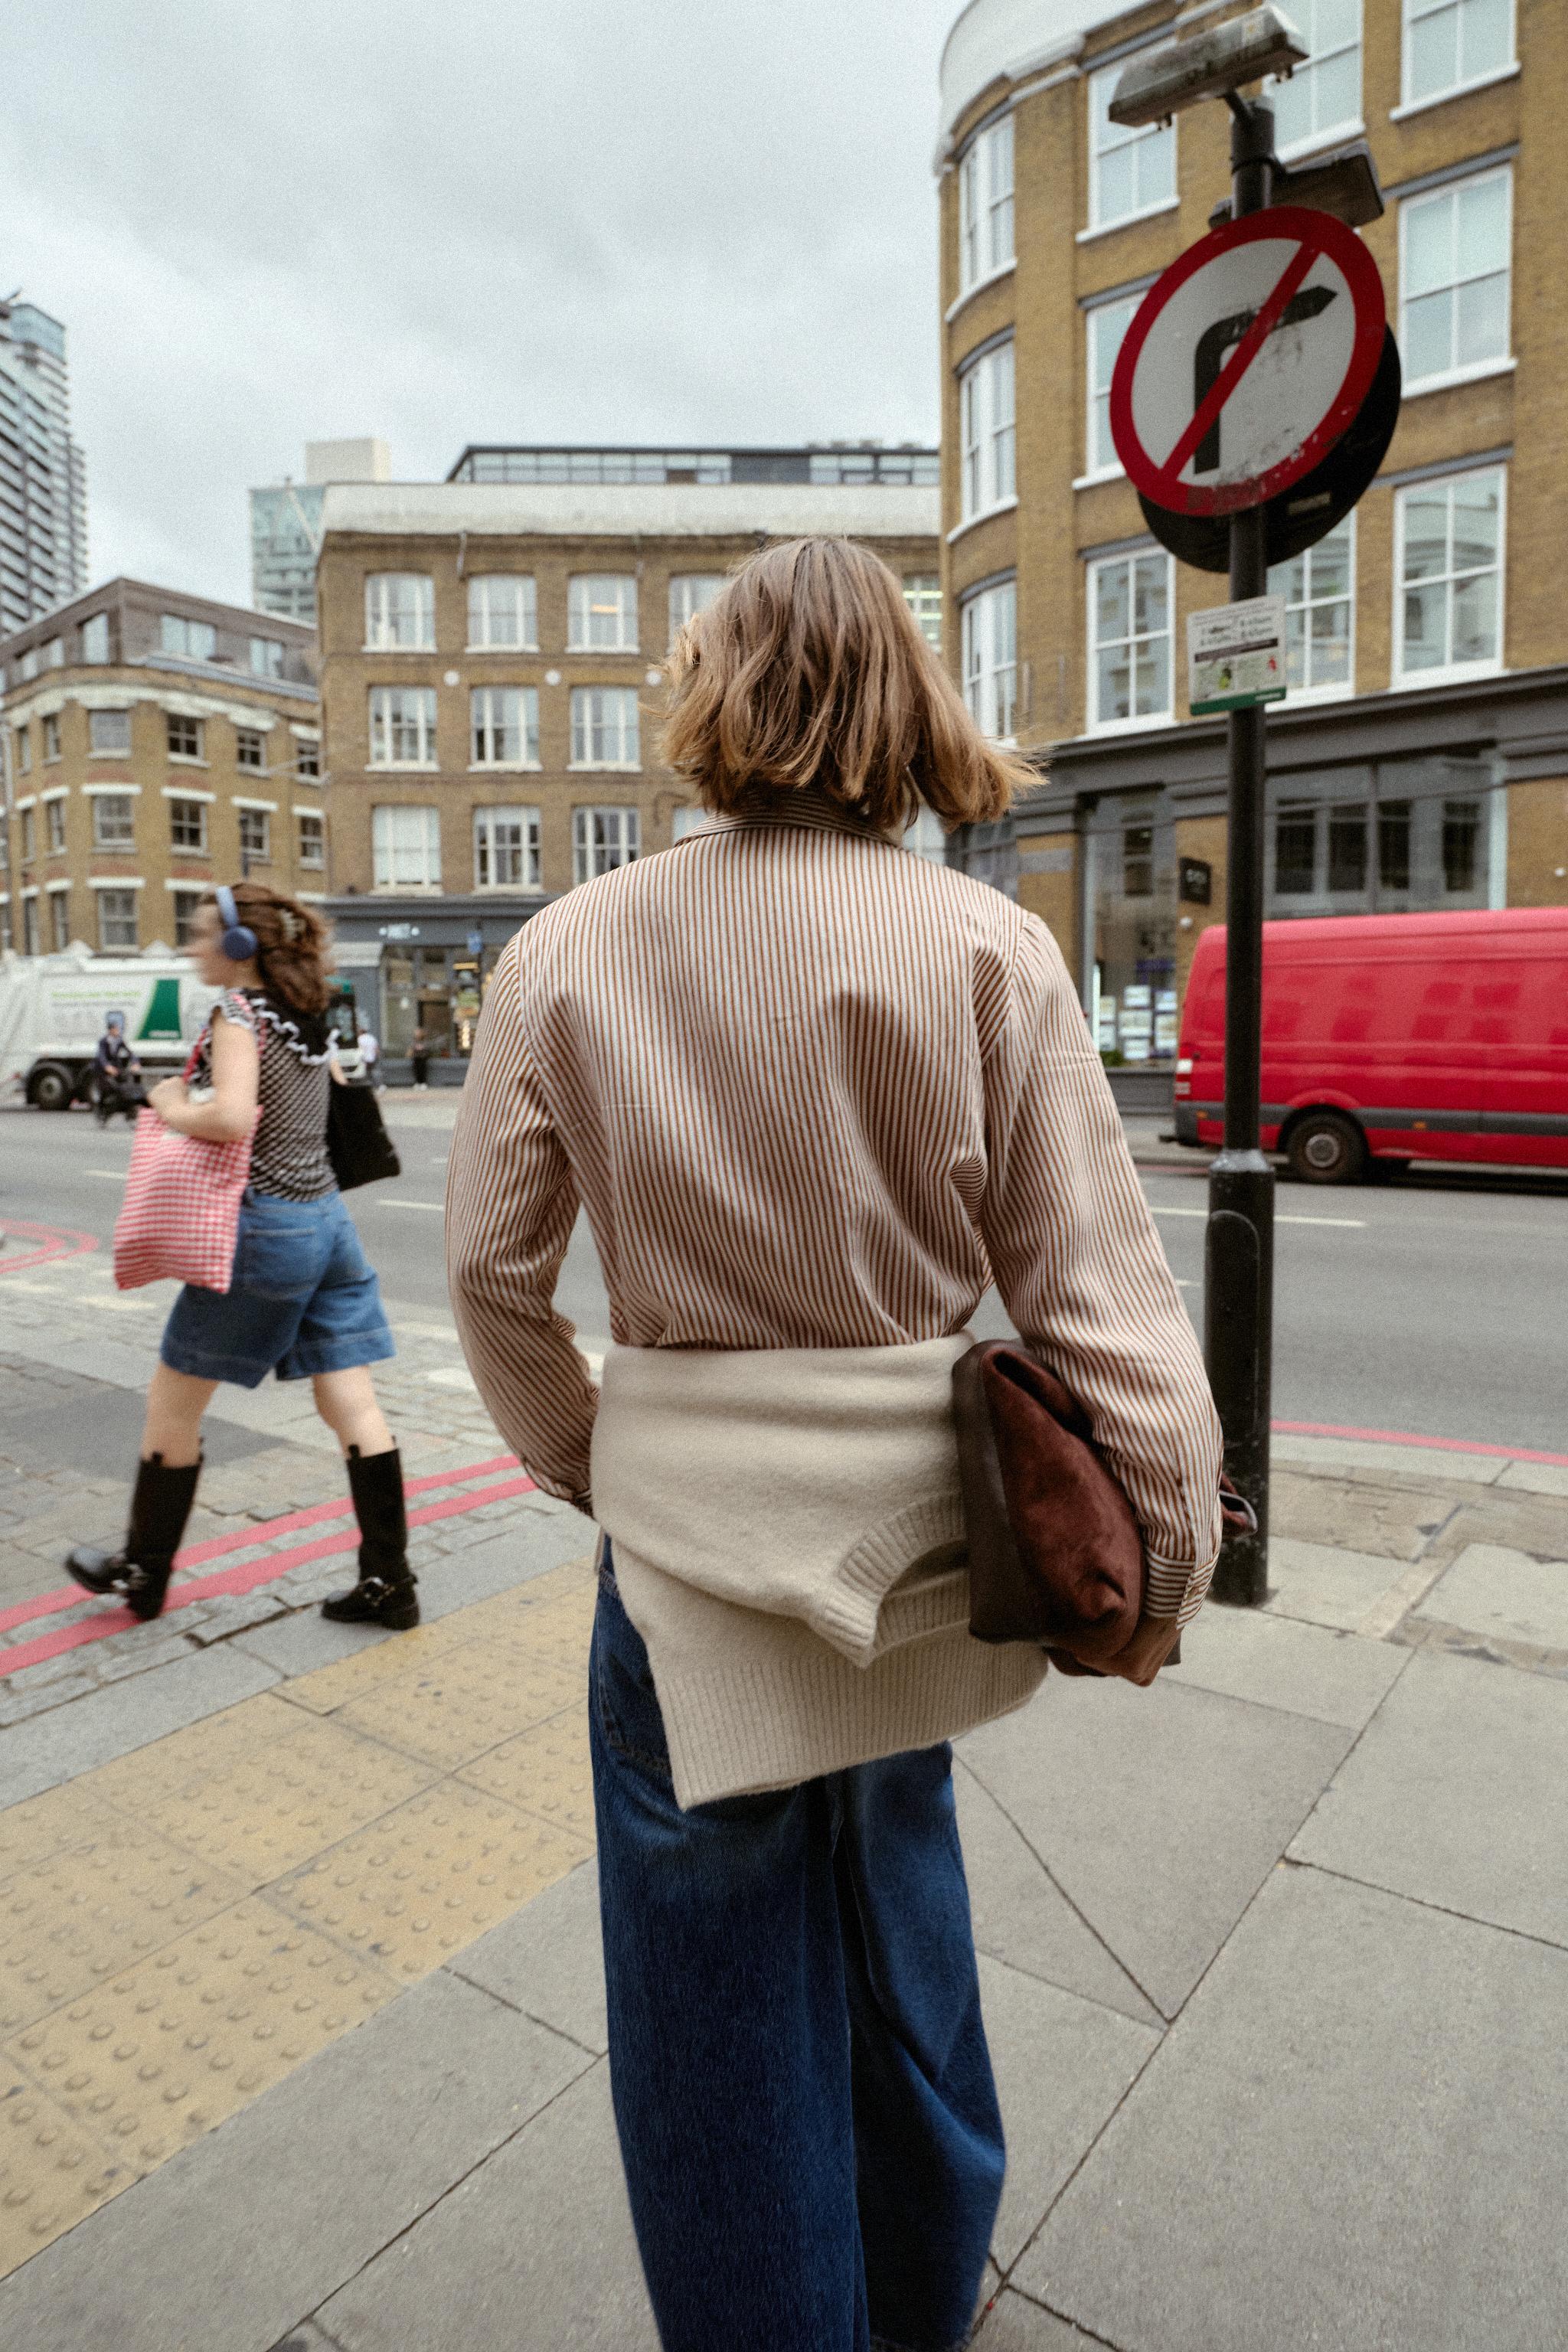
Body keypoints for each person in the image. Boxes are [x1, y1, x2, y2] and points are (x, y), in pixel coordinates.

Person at [446, 537, 1223, 2352]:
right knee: (904, 1928)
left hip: (685, 1576)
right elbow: (1105, 1308)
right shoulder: (987, 948)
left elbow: (491, 1283)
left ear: (715, 695)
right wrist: (1160, 1564)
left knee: (711, 2012)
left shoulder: (565, 949)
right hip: (925, 1553)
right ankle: (925, 2289)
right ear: (906, 700)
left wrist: (594, 1460)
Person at [66, 882, 418, 1633]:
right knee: (348, 1400)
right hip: (328, 1225)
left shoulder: (238, 1012)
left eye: (199, 935)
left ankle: (141, 1572)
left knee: (172, 1404)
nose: (193, 947)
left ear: (236, 947)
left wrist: (166, 1105)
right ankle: (390, 1581)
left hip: (264, 1229)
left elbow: (229, 1118)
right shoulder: (318, 1007)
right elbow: (340, 1091)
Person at [92, 1013, 147, 1123]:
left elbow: (130, 1053)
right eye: (116, 1029)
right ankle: (100, 1109)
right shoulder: (104, 1041)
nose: (118, 1031)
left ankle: (127, 1110)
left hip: (116, 1068)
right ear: (111, 1030)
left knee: (124, 1086)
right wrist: (107, 1067)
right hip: (103, 1070)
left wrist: (135, 1063)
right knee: (105, 1090)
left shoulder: (119, 1040)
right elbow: (101, 1056)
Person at [357, 1021, 381, 1089]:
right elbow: (377, 1049)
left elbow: (359, 1049)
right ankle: (378, 1086)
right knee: (371, 1072)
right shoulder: (371, 1038)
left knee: (365, 1073)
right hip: (372, 1058)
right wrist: (378, 1057)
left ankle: (369, 1086)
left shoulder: (360, 1039)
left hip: (364, 1059)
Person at [410, 1024, 430, 1089]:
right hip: (416, 1057)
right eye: (417, 1033)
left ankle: (423, 1083)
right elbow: (412, 1047)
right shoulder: (414, 1040)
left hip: (423, 1058)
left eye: (419, 1033)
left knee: (423, 1070)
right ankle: (418, 1083)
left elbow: (427, 1047)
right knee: (416, 1070)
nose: (418, 1034)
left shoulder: (425, 1040)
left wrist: (422, 1047)